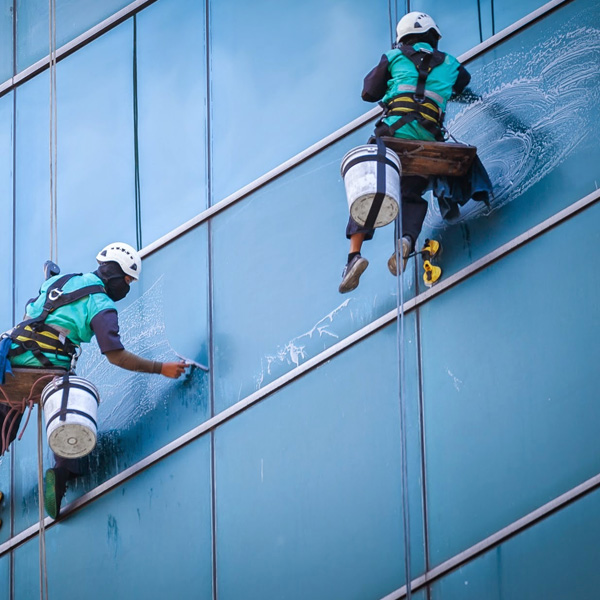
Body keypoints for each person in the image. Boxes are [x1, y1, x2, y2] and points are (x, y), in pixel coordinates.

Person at [1, 242, 187, 518]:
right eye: (127, 280)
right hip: (47, 370)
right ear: (115, 274)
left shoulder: (66, 280)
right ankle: (62, 474)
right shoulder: (101, 304)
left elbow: (39, 301)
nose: (127, 286)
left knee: (5, 420)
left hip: (8, 360)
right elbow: (116, 356)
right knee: (74, 413)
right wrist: (161, 368)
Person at [339, 12, 472, 294]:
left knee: (369, 189)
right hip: (428, 143)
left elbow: (368, 92)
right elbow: (462, 83)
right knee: (411, 194)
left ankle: (354, 256)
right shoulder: (450, 63)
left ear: (403, 37)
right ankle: (407, 241)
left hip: (392, 137)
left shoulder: (394, 56)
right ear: (433, 36)